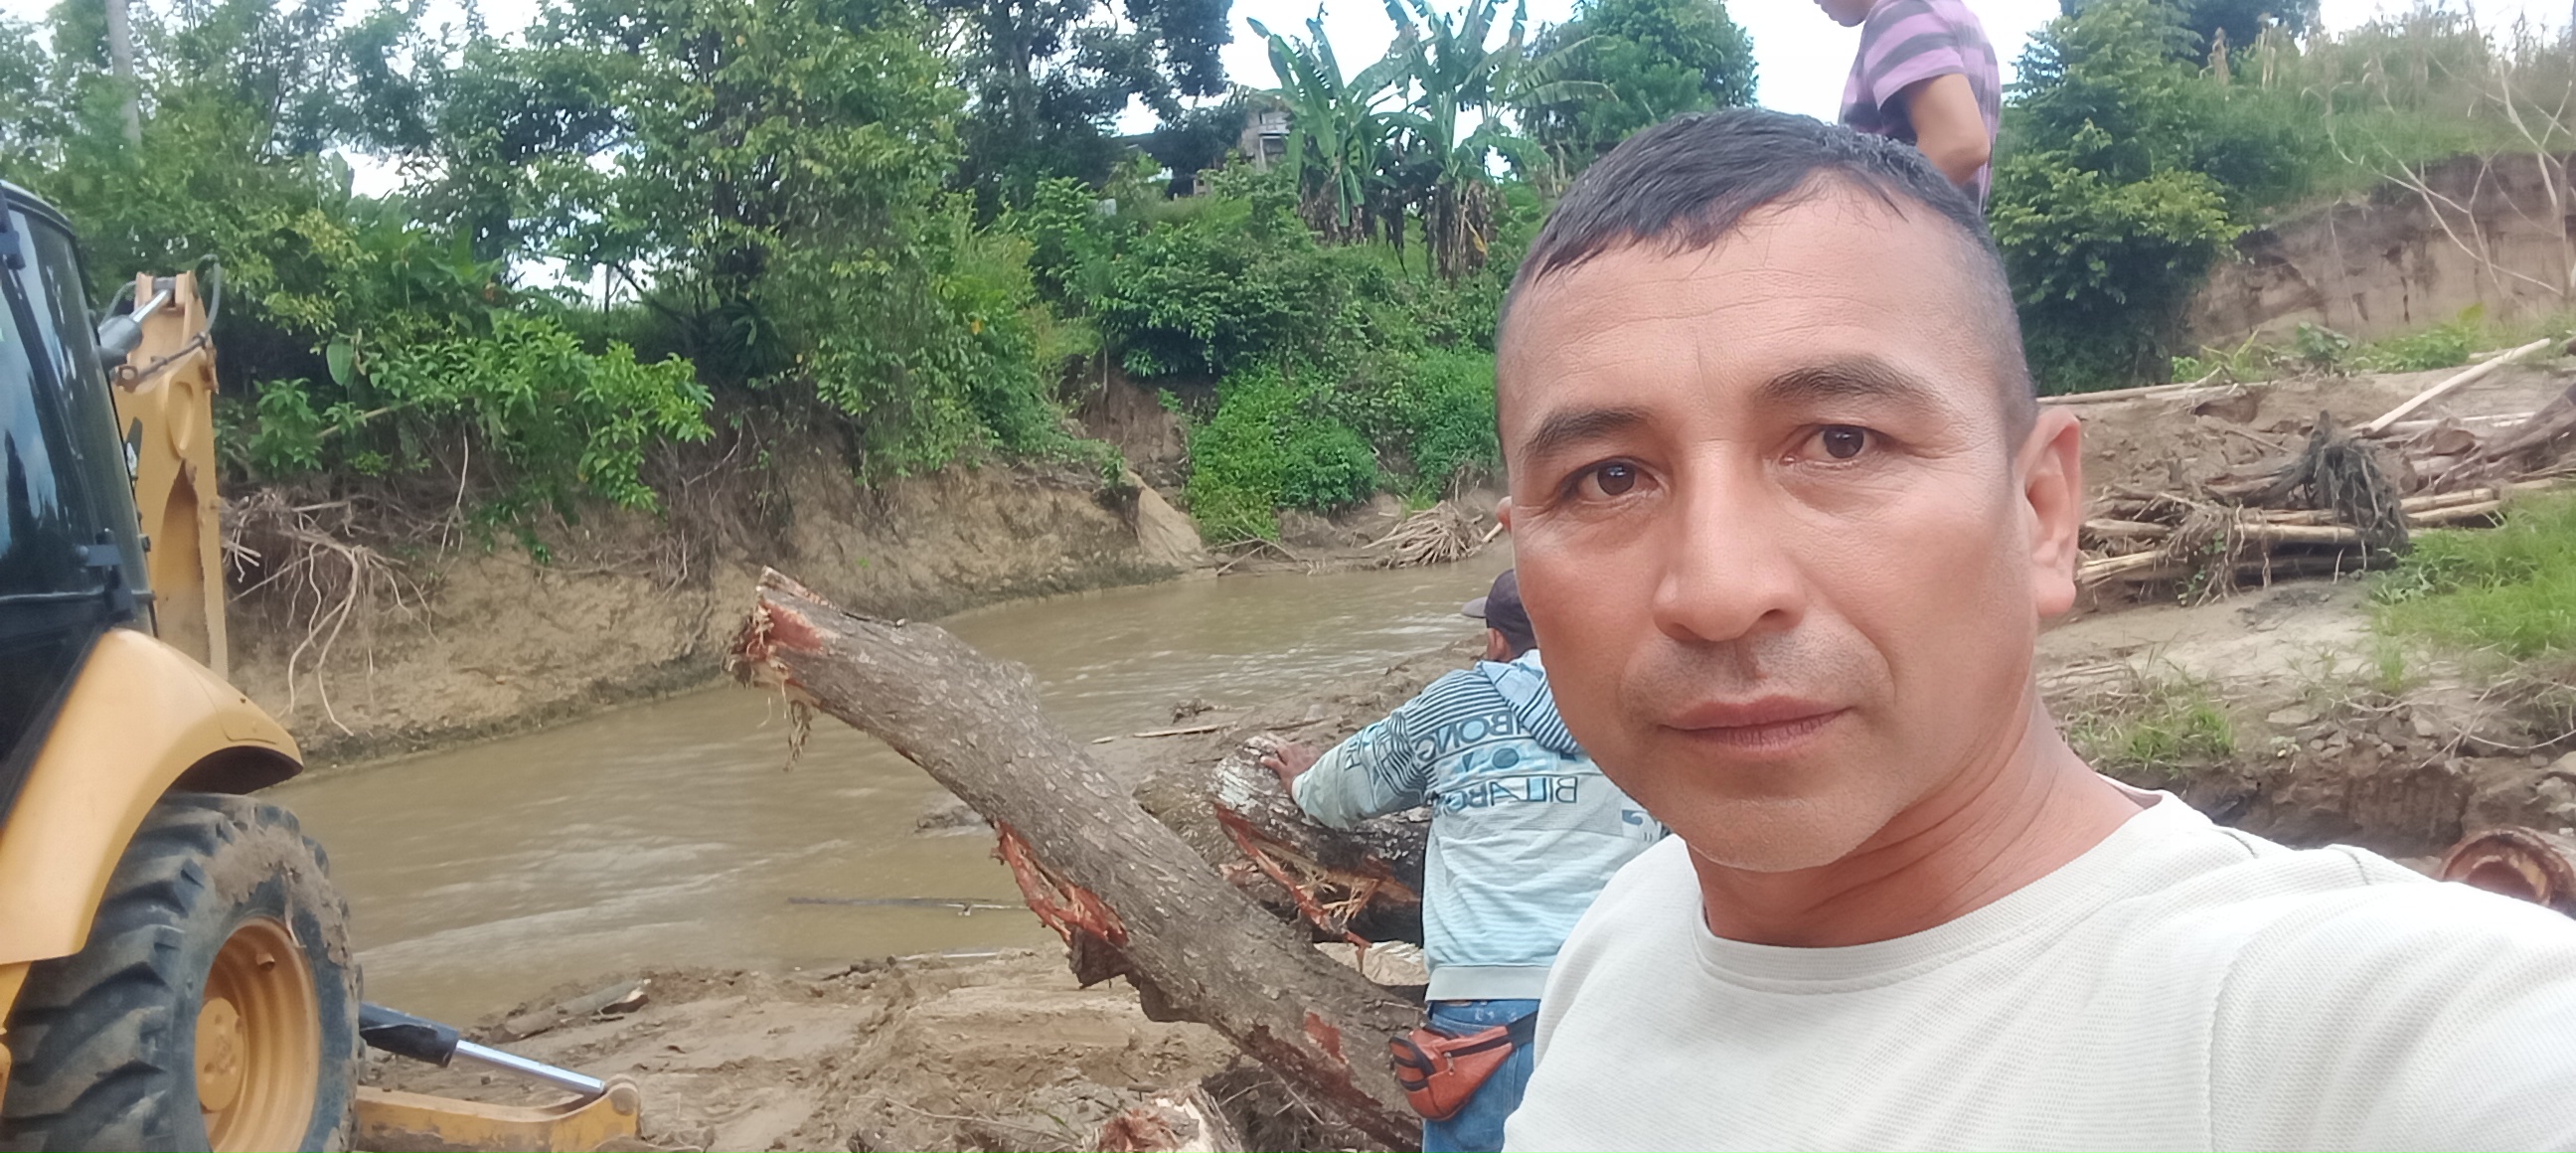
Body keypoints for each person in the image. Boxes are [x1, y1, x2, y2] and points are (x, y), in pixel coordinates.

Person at [1492, 109, 2576, 1151]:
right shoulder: (1624, 931)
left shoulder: (2360, 1020)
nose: (1720, 590)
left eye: (1841, 441)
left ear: (2041, 511)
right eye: (1609, 478)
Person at [1261, 569, 1660, 1153]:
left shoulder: (1454, 703)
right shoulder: (1644, 707)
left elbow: (1340, 792)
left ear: (1496, 640)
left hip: (1482, 1019)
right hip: (1620, 1000)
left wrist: (1303, 779)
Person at [1819, 0, 2000, 201]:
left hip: (1908, 220)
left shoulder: (1900, 14)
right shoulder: (1949, 13)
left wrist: (1865, 217)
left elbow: (1960, 145)